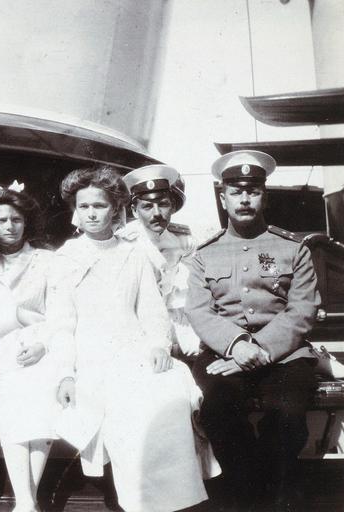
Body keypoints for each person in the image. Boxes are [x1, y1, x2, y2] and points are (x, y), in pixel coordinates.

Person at [50, 166, 216, 512]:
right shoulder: (66, 258)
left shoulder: (132, 252)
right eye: (84, 206)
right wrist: (65, 373)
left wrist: (158, 345)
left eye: (99, 205)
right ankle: (138, 502)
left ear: (115, 208)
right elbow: (61, 323)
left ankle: (178, 501)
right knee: (125, 406)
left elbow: (152, 310)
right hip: (90, 356)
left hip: (135, 349)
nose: (91, 214)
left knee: (171, 390)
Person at [185, 150, 320, 511]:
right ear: (223, 198)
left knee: (288, 413)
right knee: (217, 409)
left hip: (285, 355)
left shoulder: (293, 249)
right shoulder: (204, 254)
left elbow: (302, 309)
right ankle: (253, 492)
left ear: (265, 197)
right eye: (236, 192)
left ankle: (263, 492)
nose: (244, 199)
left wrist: (257, 348)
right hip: (223, 354)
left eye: (253, 191)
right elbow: (199, 311)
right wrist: (237, 345)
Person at [0, 186, 60, 512]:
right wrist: (17, 321)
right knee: (15, 388)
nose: (9, 226)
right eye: (1, 220)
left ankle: (25, 503)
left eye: (16, 219)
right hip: (0, 348)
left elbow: (62, 313)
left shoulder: (48, 261)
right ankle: (27, 501)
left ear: (27, 223)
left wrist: (43, 344)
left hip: (45, 344)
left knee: (43, 387)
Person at [118, 164, 201, 356]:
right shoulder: (124, 242)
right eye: (147, 206)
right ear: (134, 210)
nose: (156, 213)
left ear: (172, 206)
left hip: (175, 317)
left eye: (163, 204)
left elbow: (193, 290)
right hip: (136, 321)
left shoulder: (184, 241)